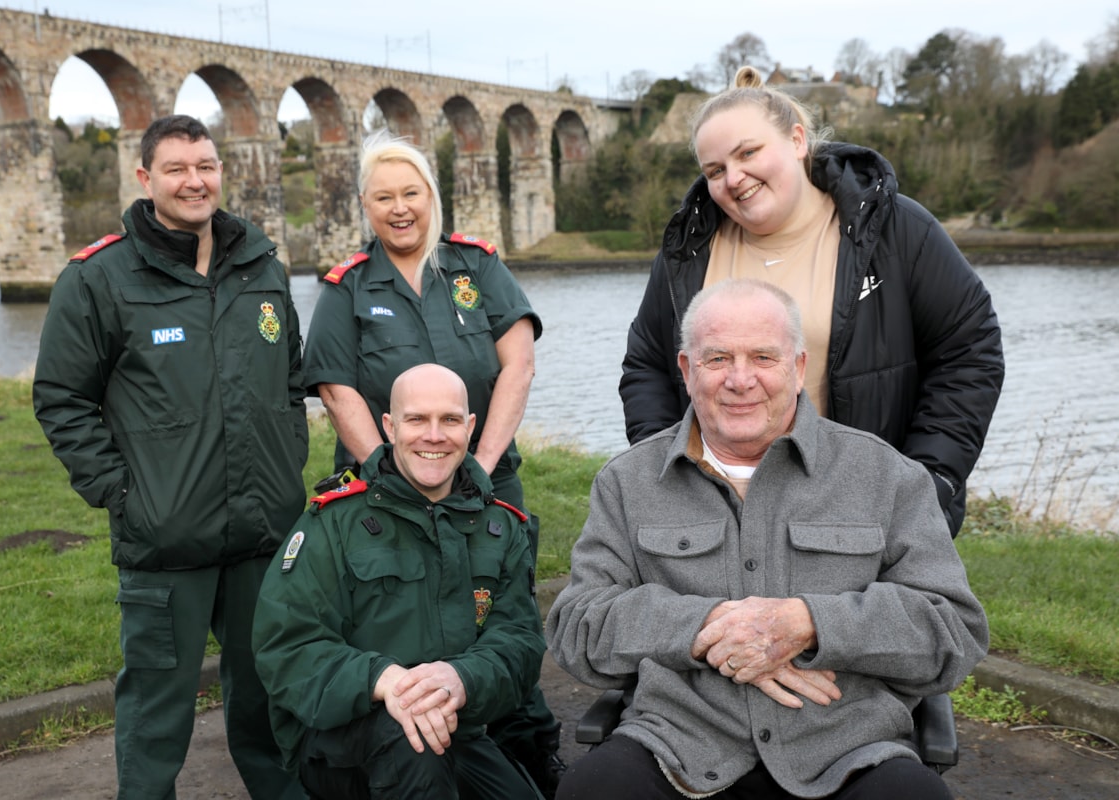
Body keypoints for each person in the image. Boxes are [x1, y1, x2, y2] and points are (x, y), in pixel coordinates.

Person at [547, 279, 989, 800]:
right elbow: (577, 628)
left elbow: (954, 630)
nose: (741, 379)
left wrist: (808, 623)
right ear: (687, 372)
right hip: (678, 748)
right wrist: (705, 626)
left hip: (847, 752)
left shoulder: (887, 476)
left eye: (762, 357)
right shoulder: (627, 482)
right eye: (717, 359)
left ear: (798, 368)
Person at [32, 114, 308, 800]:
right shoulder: (100, 278)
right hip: (164, 537)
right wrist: (122, 495)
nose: (195, 180)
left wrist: (286, 468)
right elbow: (62, 399)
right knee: (156, 714)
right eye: (178, 168)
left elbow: (291, 382)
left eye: (206, 165)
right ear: (146, 177)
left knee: (271, 699)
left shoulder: (263, 267)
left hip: (263, 535)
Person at [620, 66, 1004, 537]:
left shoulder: (896, 229)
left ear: (798, 140)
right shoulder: (688, 251)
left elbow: (970, 351)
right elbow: (647, 365)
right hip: (720, 521)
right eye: (715, 170)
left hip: (867, 515)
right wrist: (666, 478)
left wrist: (927, 483)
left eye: (749, 153)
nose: (734, 178)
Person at [304, 130, 565, 793]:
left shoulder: (477, 268)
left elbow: (519, 364)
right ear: (365, 204)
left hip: (487, 478)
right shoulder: (348, 288)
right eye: (383, 197)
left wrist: (475, 463)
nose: (399, 208)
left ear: (432, 197)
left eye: (411, 193)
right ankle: (413, 747)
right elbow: (337, 389)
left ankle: (531, 748)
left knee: (504, 616)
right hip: (389, 489)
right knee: (413, 616)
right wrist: (398, 473)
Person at [252, 364, 545, 799]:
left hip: (452, 727)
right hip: (339, 737)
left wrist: (461, 677)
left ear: (469, 428)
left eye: (448, 420)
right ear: (389, 427)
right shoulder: (333, 523)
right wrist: (384, 679)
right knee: (416, 748)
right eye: (416, 419)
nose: (433, 435)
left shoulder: (498, 526)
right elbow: (287, 644)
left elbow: (520, 643)